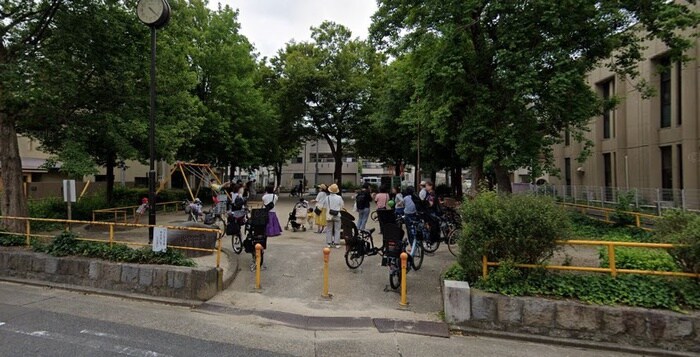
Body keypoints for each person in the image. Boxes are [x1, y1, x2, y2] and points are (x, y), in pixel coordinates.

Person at [325, 184, 344, 248]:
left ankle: (329, 243)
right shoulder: (339, 197)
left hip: (329, 215)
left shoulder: (327, 197)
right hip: (337, 214)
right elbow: (342, 206)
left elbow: (325, 206)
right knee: (337, 229)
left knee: (329, 229)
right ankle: (337, 243)